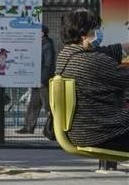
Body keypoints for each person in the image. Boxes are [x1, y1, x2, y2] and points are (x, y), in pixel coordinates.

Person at [54, 10, 129, 151]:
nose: (99, 33)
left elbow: (110, 51)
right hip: (106, 134)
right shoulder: (94, 62)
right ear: (84, 36)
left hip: (83, 132)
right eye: (95, 30)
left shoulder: (66, 56)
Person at [18, 25, 56, 134]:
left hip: (43, 80)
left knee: (48, 106)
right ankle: (28, 127)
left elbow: (48, 63)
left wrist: (44, 78)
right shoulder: (39, 44)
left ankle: (53, 128)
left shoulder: (47, 44)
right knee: (33, 104)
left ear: (42, 33)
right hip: (36, 78)